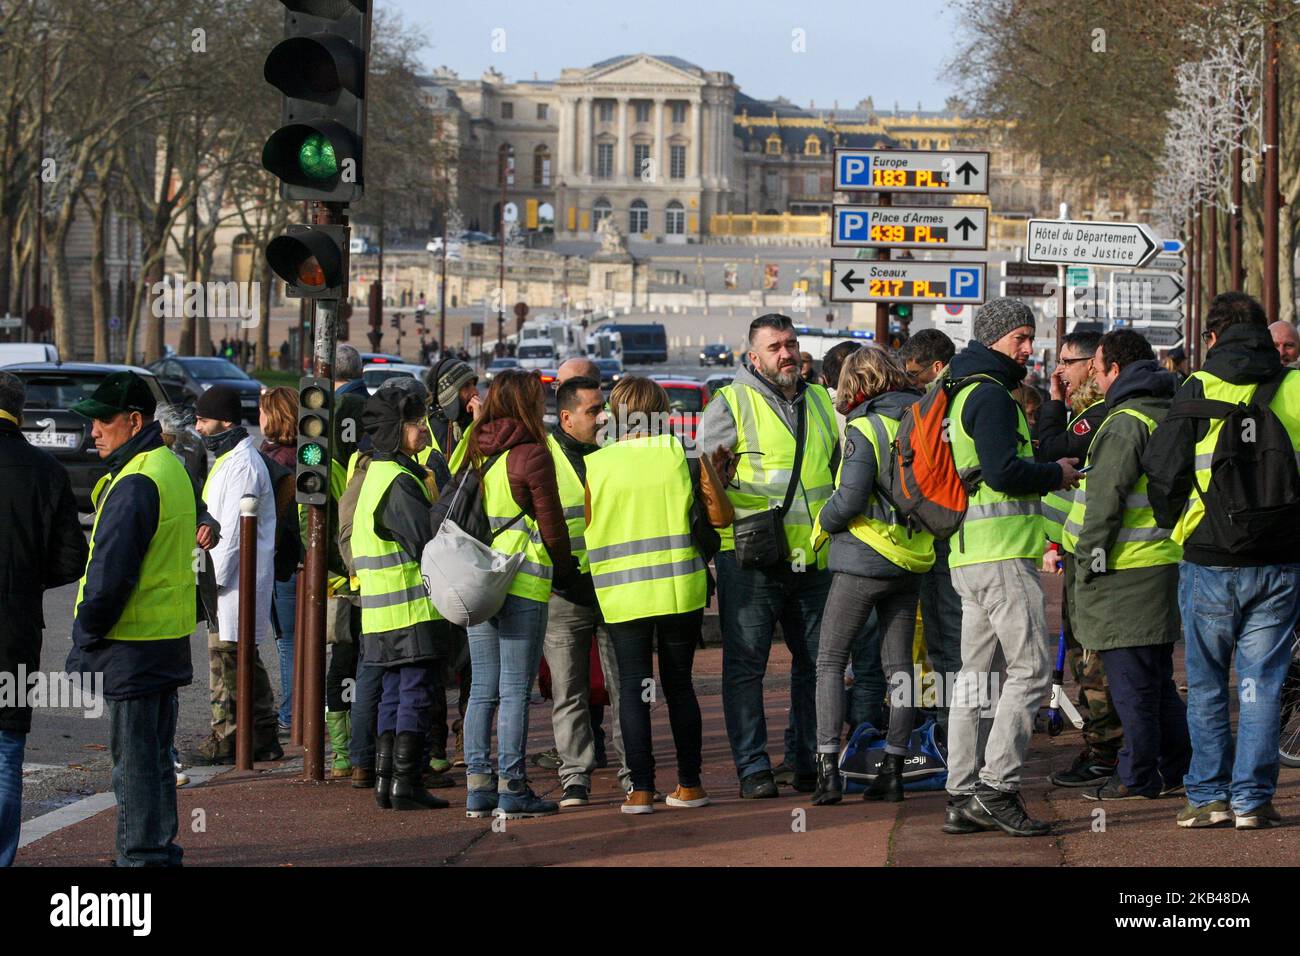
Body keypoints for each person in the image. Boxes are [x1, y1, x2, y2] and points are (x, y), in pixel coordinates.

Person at [1145, 291, 1300, 829]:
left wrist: (1177, 523)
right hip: (1280, 557)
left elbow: (1163, 471)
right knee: (1262, 682)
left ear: (1212, 337)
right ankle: (1253, 801)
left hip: (1209, 556)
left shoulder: (1200, 385)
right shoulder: (1296, 384)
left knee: (1209, 683)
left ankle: (1208, 796)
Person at [941, 298, 1080, 838]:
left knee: (974, 680)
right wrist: (1056, 473)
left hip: (968, 552)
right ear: (995, 337)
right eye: (1021, 338)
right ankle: (996, 788)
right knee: (1030, 671)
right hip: (1002, 555)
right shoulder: (992, 395)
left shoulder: (959, 388)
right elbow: (1003, 471)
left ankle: (960, 793)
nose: (1029, 348)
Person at [696, 313, 840, 798]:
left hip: (815, 558)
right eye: (775, 347)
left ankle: (805, 760)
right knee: (745, 667)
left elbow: (838, 469)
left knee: (818, 664)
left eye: (791, 344)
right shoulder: (730, 403)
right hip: (753, 560)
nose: (787, 353)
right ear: (753, 357)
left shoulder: (820, 399)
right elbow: (708, 485)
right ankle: (753, 769)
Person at [585, 376, 732, 813]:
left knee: (632, 689)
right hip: (678, 588)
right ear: (663, 411)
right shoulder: (684, 455)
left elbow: (590, 524)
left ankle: (641, 789)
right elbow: (720, 517)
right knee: (679, 686)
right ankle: (690, 785)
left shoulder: (598, 463)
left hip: (621, 594)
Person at [65, 372, 195, 866]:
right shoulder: (167, 466)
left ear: (134, 421)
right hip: (164, 641)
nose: (93, 431)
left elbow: (109, 573)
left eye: (102, 420)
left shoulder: (137, 478)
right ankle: (158, 851)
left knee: (136, 765)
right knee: (155, 761)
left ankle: (141, 858)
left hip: (132, 645)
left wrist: (87, 629)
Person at [1064, 329, 1189, 801]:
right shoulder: (1166, 411)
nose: (1094, 376)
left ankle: (1137, 776)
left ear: (1116, 370)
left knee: (1131, 686)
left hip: (1123, 573)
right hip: (1160, 564)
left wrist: (1087, 562)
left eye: (1096, 368)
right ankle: (1179, 765)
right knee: (1156, 683)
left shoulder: (1124, 422)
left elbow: (1104, 502)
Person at [810, 348, 932, 805]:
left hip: (865, 557)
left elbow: (851, 496)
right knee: (899, 667)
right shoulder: (920, 418)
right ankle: (895, 771)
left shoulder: (865, 425)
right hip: (913, 556)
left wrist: (824, 520)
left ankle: (827, 773)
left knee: (829, 661)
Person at [462, 369, 573, 819]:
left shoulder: (474, 447)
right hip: (523, 579)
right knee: (514, 690)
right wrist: (566, 570)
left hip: (477, 580)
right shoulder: (531, 453)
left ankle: (477, 785)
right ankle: (513, 785)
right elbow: (552, 528)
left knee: (481, 690)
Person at [0, 372, 88, 866]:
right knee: (6, 748)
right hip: (14, 626)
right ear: (21, 409)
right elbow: (71, 559)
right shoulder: (46, 470)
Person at [353, 386, 450, 811]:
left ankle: (386, 781)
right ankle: (406, 784)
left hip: (379, 614)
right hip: (411, 610)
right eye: (415, 423)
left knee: (393, 693)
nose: (424, 430)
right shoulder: (400, 481)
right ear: (397, 430)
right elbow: (426, 544)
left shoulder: (376, 474)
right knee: (415, 692)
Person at [1036, 333, 1124, 790]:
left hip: (1090, 551)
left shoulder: (1095, 416)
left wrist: (1053, 403)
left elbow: (1048, 449)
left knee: (1089, 654)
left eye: (1068, 363)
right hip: (1090, 548)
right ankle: (1111, 745)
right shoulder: (1100, 412)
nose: (1060, 372)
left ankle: (1103, 749)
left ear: (1093, 365)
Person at [542, 373, 633, 807]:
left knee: (625, 686)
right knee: (569, 689)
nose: (603, 417)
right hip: (564, 591)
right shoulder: (544, 457)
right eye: (593, 410)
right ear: (566, 417)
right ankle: (574, 775)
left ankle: (633, 771)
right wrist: (564, 575)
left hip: (612, 587)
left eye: (604, 409)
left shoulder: (617, 452)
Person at [191, 385, 282, 765]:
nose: (198, 428)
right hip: (231, 580)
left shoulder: (242, 464)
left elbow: (231, 534)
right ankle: (262, 733)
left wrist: (214, 582)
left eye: (204, 421)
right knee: (242, 656)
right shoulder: (233, 459)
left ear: (225, 421)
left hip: (231, 582)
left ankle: (225, 736)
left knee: (226, 659)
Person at [899, 329, 964, 730]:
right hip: (953, 532)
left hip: (946, 531)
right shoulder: (952, 396)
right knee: (947, 640)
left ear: (936, 367)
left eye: (915, 373)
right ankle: (951, 725)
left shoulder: (943, 402)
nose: (911, 382)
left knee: (949, 639)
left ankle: (953, 730)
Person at [259, 387, 299, 736]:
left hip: (285, 560)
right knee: (289, 639)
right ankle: (294, 709)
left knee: (288, 640)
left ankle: (291, 711)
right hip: (289, 559)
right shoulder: (294, 453)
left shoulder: (278, 459)